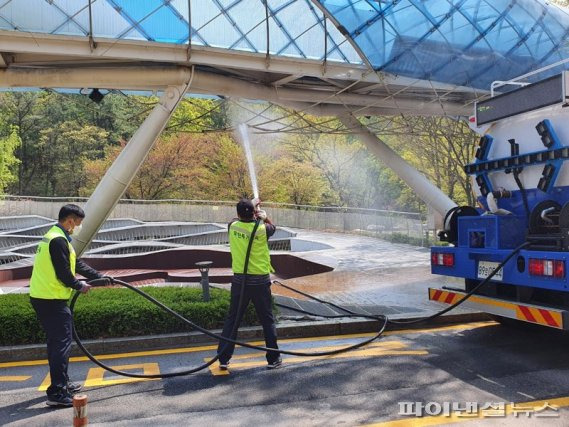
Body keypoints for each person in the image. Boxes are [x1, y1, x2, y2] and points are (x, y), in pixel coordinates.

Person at [29, 204, 112, 407]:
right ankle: (57, 392)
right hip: (51, 300)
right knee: (60, 346)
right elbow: (64, 274)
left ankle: (62, 383)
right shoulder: (57, 240)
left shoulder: (57, 236)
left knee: (58, 344)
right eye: (79, 223)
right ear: (70, 221)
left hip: (46, 298)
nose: (79, 227)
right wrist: (78, 285)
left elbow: (77, 264)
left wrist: (100, 277)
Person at [217, 198, 281, 370]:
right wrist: (265, 216)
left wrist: (251, 206)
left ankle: (223, 358)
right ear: (254, 213)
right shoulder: (263, 228)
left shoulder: (233, 226)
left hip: (240, 282)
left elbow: (236, 218)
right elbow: (273, 227)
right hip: (260, 283)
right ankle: (273, 358)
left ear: (238, 214)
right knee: (267, 320)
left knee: (233, 319)